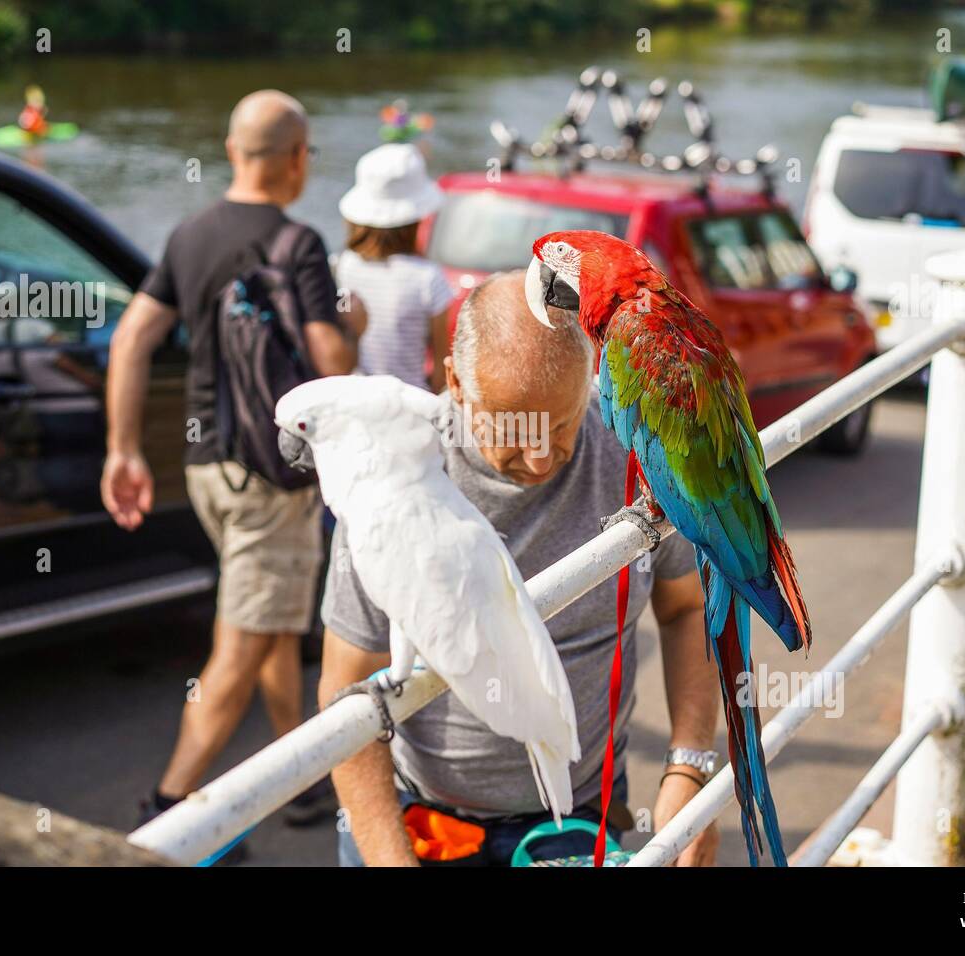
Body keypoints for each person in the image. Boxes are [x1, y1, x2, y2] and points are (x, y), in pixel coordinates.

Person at [318, 271, 722, 866]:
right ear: (454, 383)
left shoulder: (637, 458)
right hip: (418, 820)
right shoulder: (392, 481)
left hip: (578, 817)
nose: (538, 456)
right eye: (511, 427)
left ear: (591, 378)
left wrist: (690, 770)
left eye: (560, 425)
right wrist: (387, 856)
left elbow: (687, 608)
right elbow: (345, 688)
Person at [102, 90, 362, 843]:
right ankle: (165, 816)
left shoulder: (189, 235)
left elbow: (130, 340)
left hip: (205, 471)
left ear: (228, 148)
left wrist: (123, 448)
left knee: (274, 627)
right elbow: (333, 363)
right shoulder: (298, 243)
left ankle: (305, 781)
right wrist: (353, 323)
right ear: (297, 158)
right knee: (243, 647)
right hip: (267, 481)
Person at [335, 143, 454, 392]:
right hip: (409, 402)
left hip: (357, 395)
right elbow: (442, 365)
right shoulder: (429, 278)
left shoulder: (344, 265)